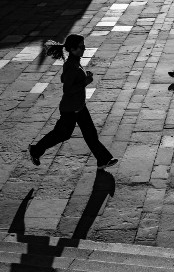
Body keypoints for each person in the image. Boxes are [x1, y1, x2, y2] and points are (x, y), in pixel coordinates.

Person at [29, 34, 118, 170]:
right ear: (72, 49)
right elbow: (68, 89)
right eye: (81, 47)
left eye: (83, 46)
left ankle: (103, 160)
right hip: (70, 109)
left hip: (79, 106)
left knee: (91, 135)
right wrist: (85, 82)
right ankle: (36, 150)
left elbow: (67, 78)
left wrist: (83, 77)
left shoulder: (75, 60)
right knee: (62, 134)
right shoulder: (71, 65)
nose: (84, 49)